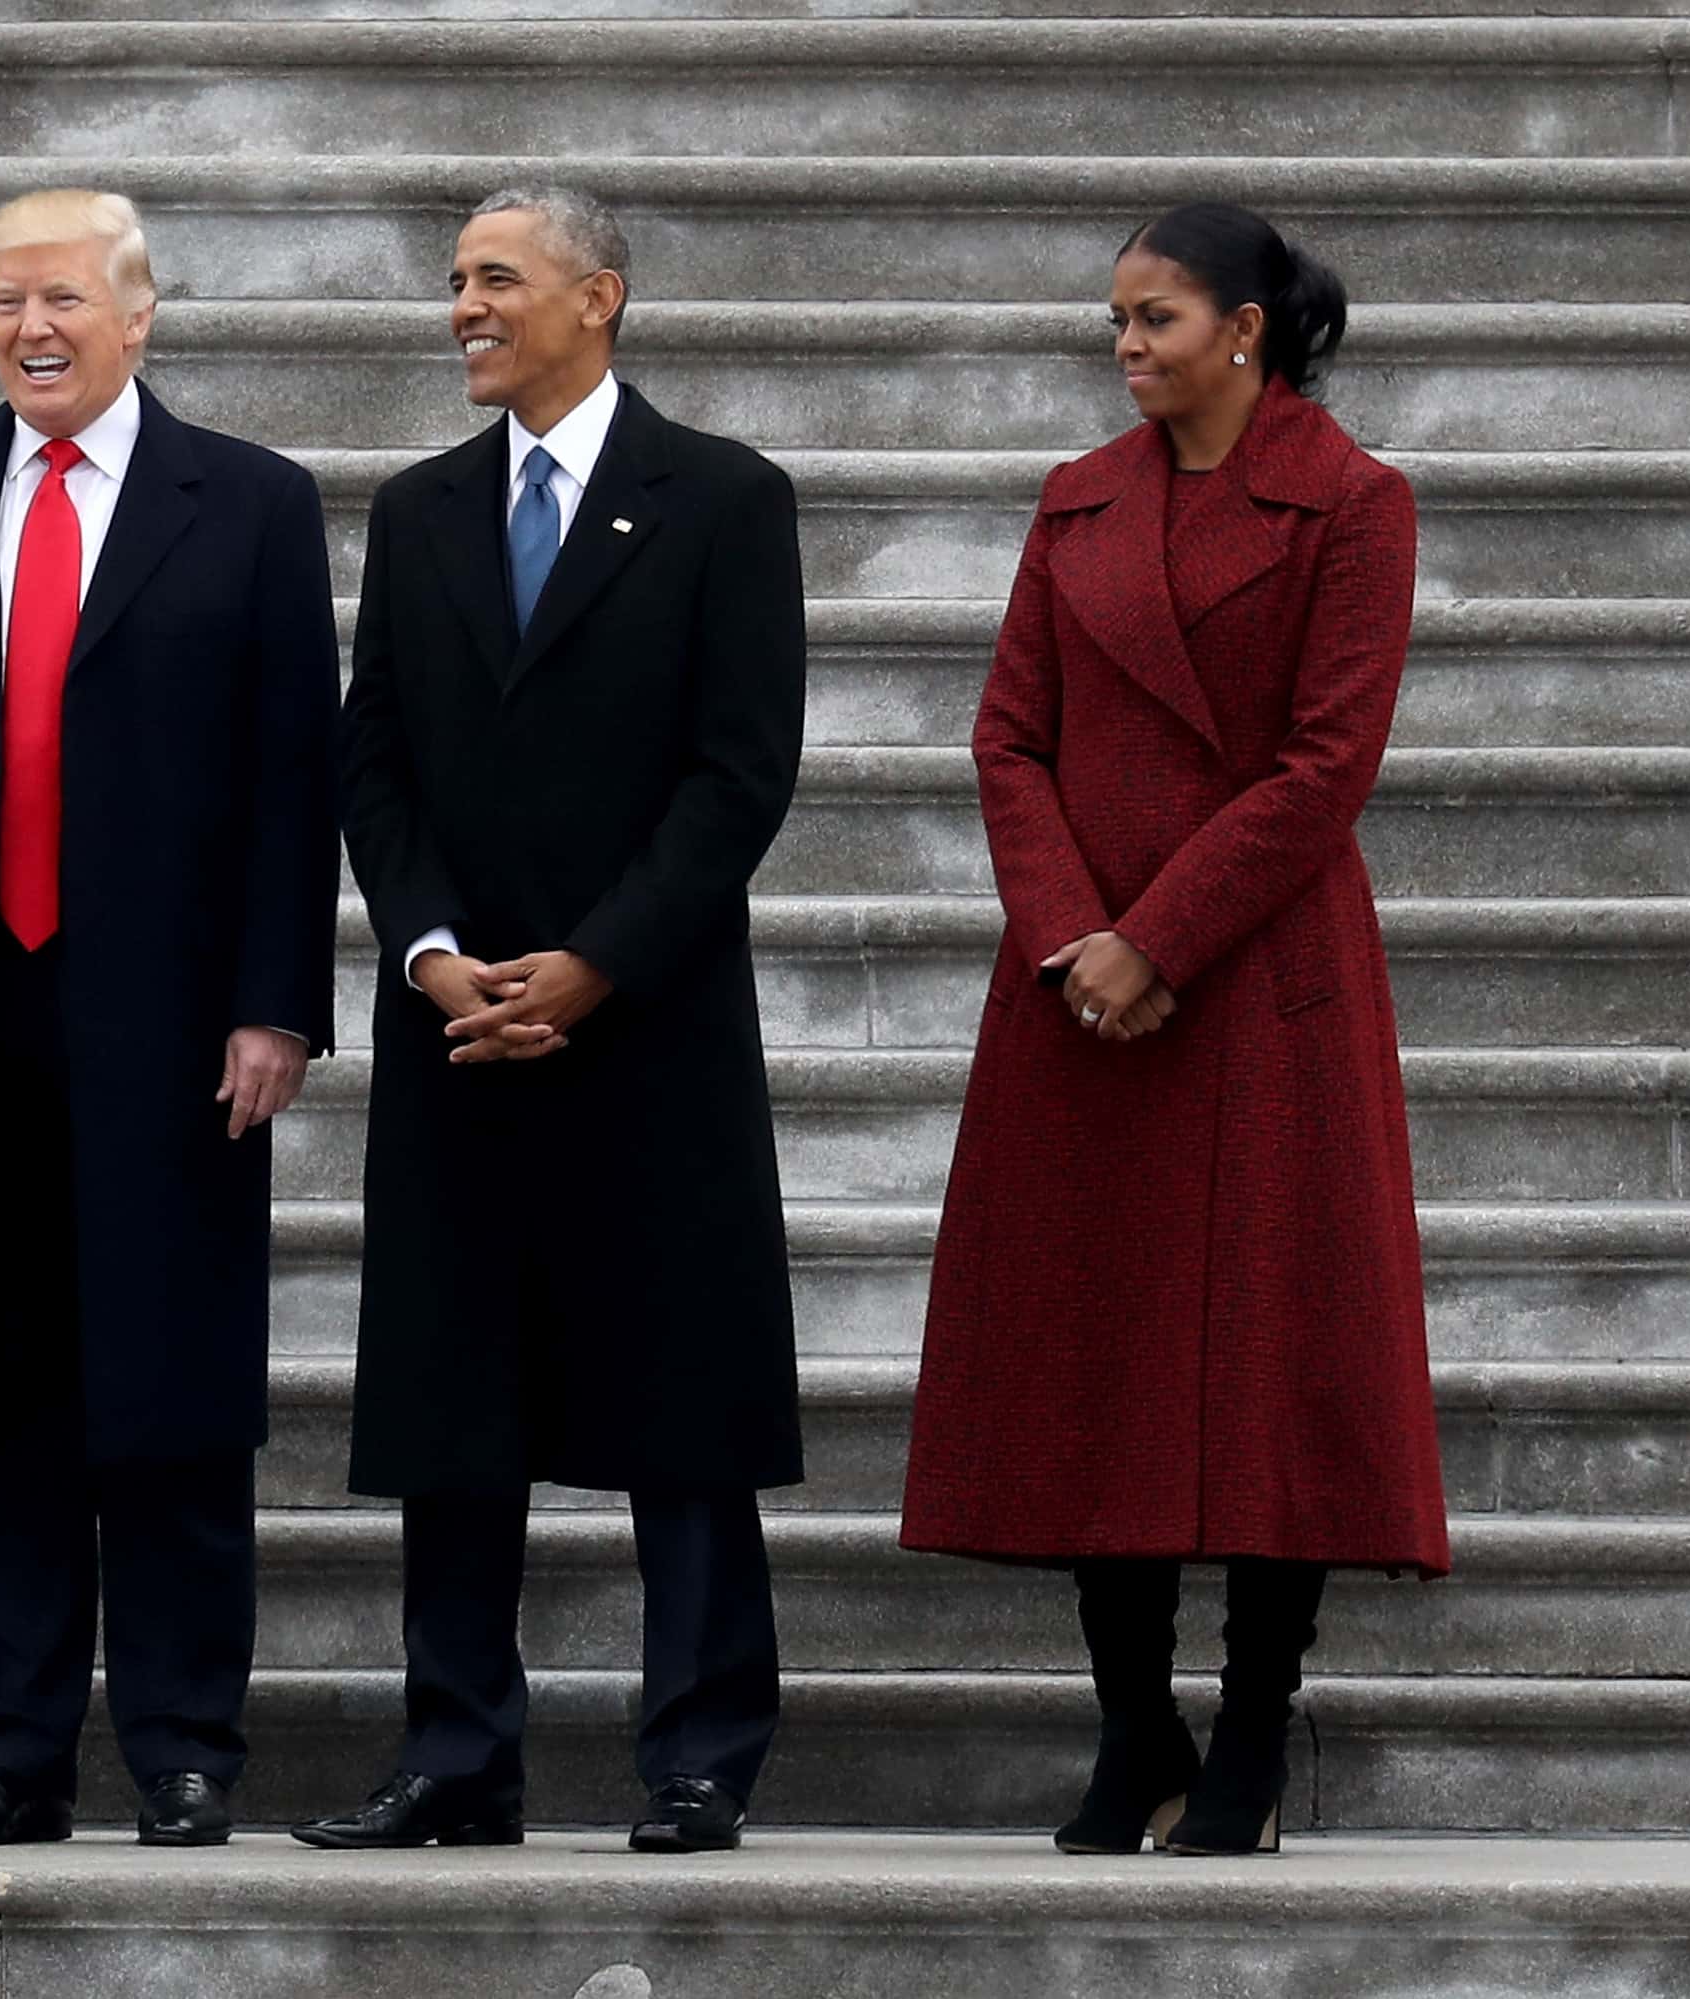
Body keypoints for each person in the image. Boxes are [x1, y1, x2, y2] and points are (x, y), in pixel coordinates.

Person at [0, 189, 339, 1849]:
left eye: (64, 301)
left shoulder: (248, 503)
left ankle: (180, 1746)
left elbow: (290, 780)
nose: (31, 328)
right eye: (4, 299)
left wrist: (274, 1006)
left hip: (169, 1028)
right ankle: (13, 1744)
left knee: (168, 1393)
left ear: (140, 314)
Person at [899, 202, 1452, 1859]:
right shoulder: (1077, 502)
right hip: (1079, 993)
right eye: (1116, 324)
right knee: (1093, 1355)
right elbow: (1009, 739)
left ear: (1246, 332)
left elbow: (1324, 765)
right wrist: (1077, 935)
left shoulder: (1353, 504)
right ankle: (1133, 1726)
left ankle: (1253, 1736)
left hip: (1258, 986)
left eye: (1155, 319)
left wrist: (1159, 937)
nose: (1127, 346)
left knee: (1273, 1365)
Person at [295, 186, 806, 1858]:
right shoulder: (423, 508)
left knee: (682, 1397)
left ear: (600, 298)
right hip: (461, 1032)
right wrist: (436, 951)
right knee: (456, 1406)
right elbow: (372, 761)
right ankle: (457, 1754)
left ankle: (701, 1755)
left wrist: (594, 966)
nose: (463, 306)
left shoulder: (725, 499)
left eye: (494, 280)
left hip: (645, 1029)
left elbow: (741, 775)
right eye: (453, 282)